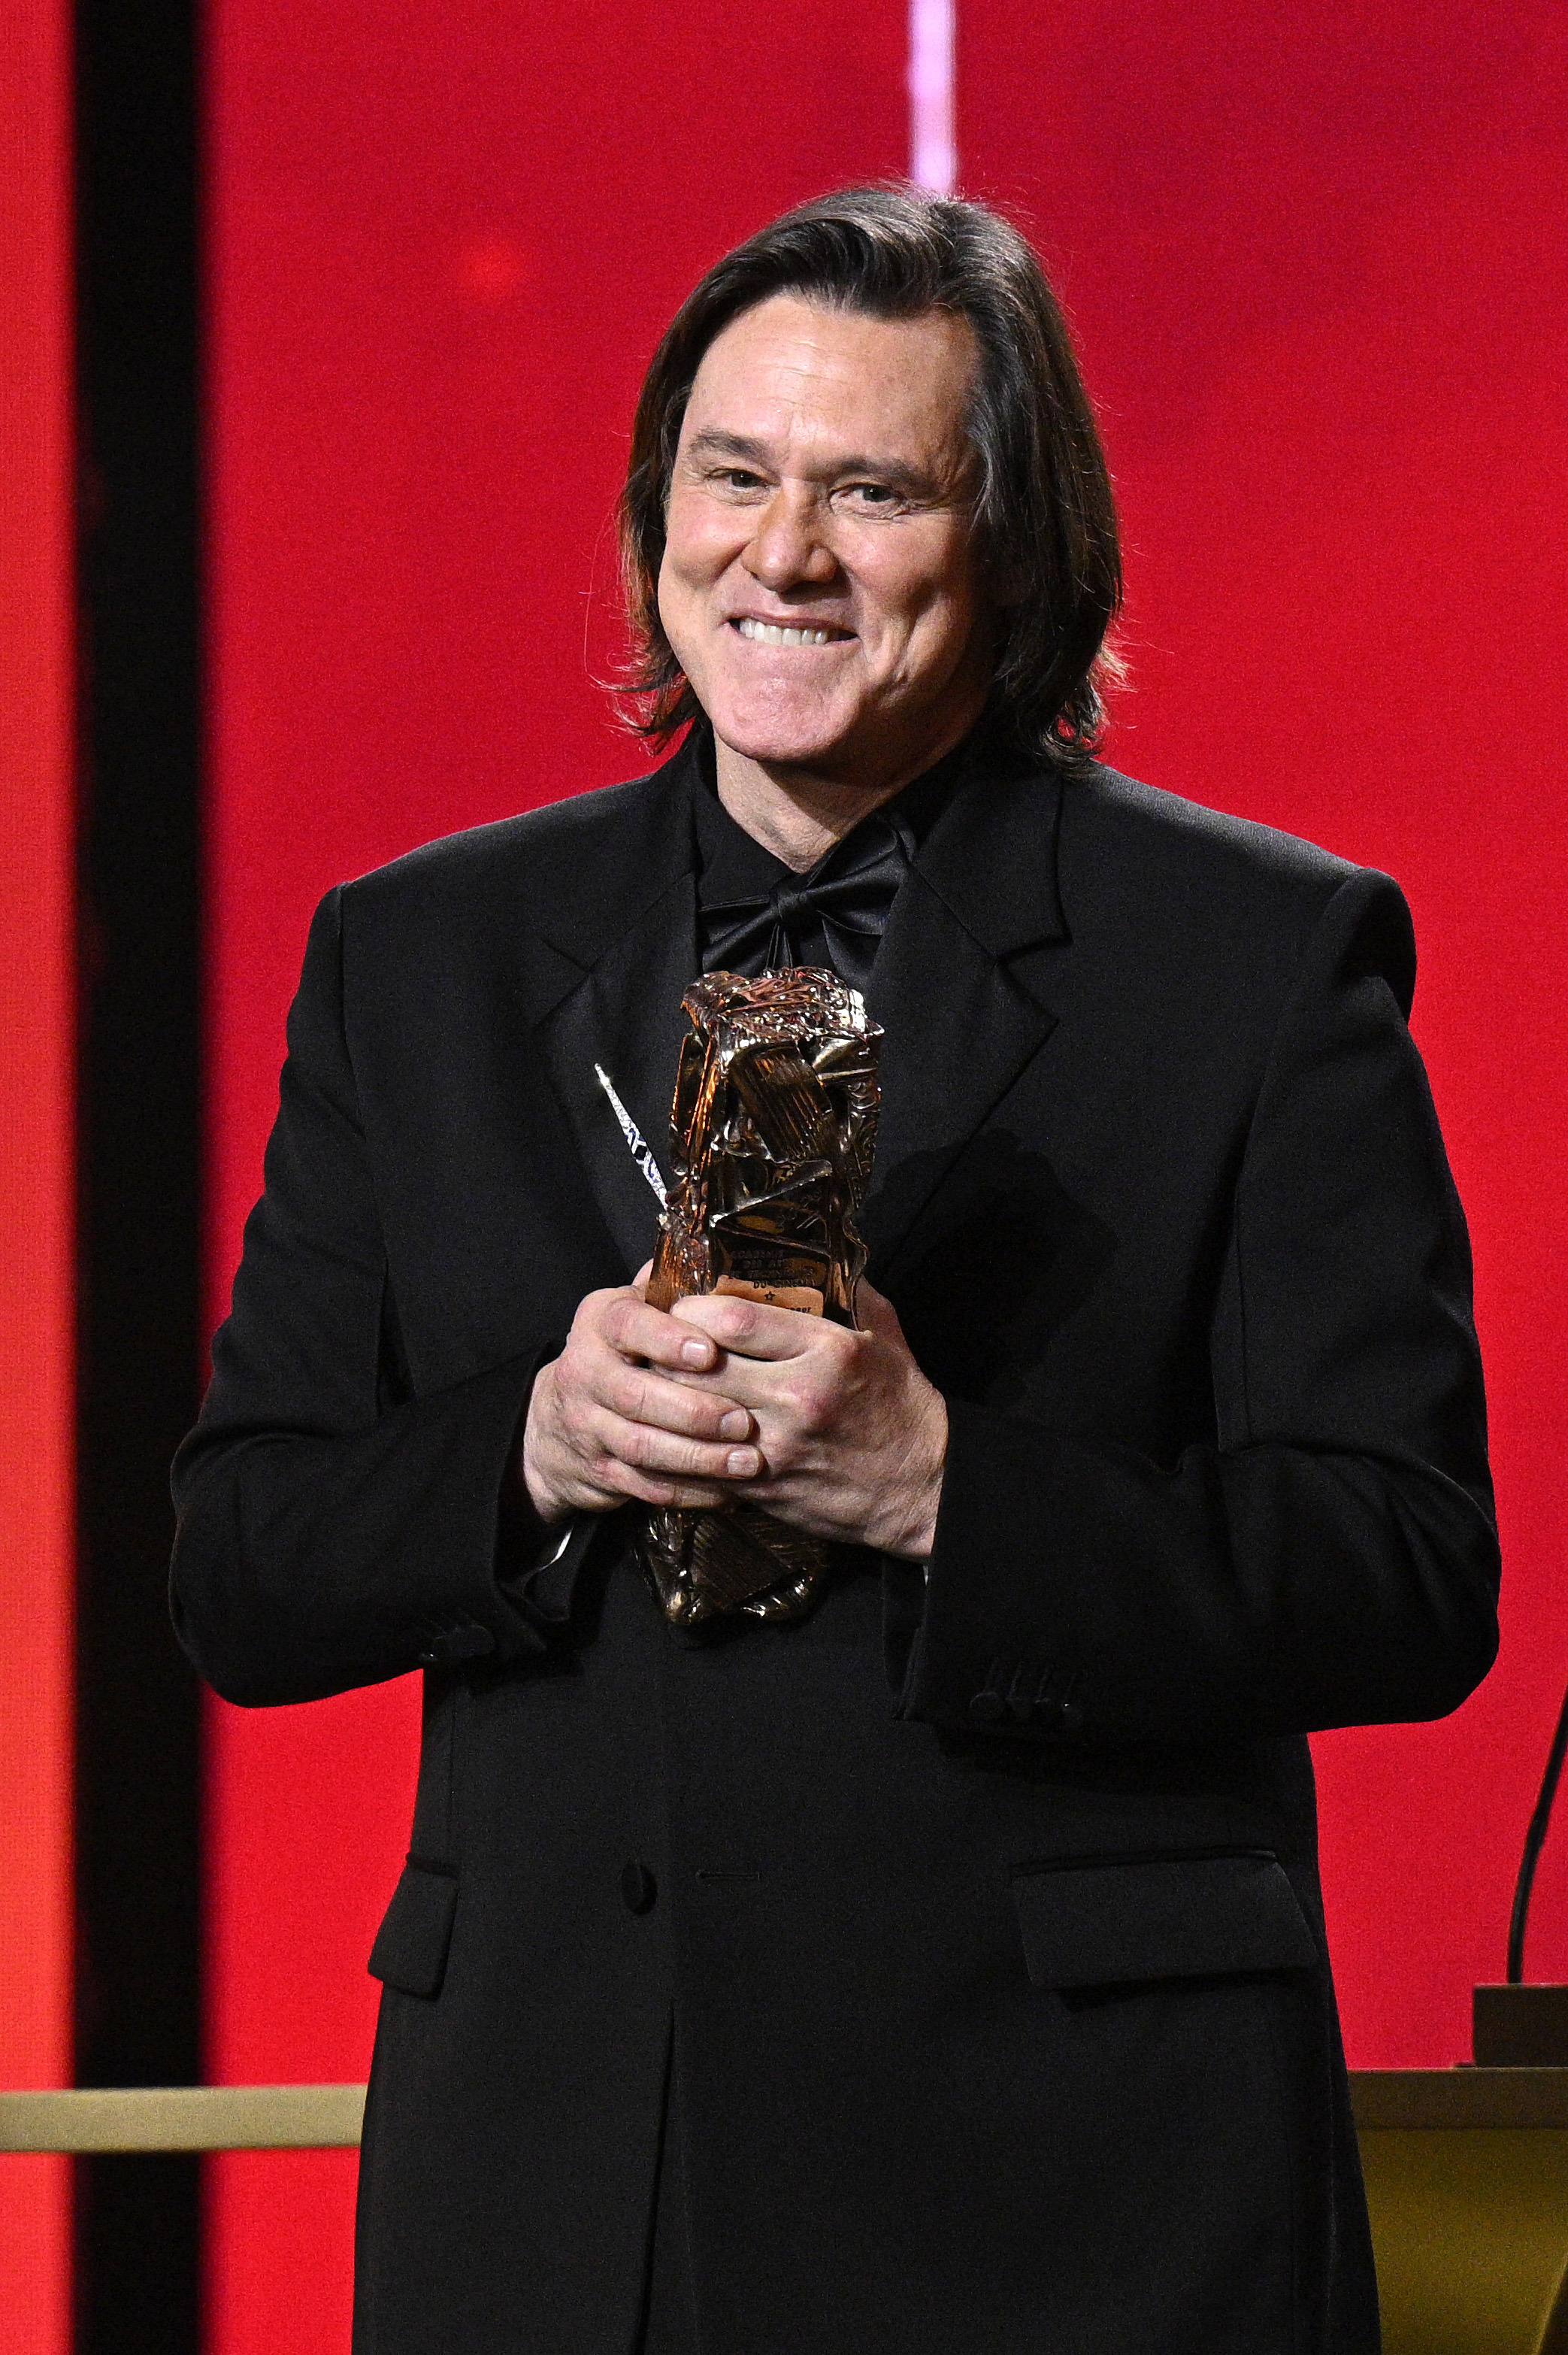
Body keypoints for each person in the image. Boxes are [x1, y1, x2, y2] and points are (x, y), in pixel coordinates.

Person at [171, 186, 1500, 2355]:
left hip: (1078, 2194)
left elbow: (1404, 1566)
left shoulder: (1261, 960)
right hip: (560, 2186)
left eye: (872, 489)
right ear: (653, 520)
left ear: (1016, 551)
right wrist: (527, 1445)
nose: (781, 555)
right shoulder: (412, 958)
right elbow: (244, 1557)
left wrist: (942, 1486)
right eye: (732, 476)